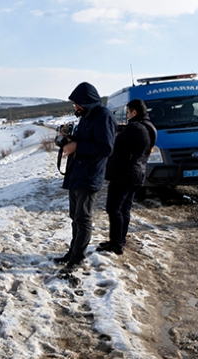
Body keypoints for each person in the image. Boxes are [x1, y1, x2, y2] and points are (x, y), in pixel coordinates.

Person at [54, 82, 116, 270]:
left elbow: (106, 148)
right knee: (75, 217)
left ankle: (77, 259)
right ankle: (73, 252)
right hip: (76, 174)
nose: (75, 108)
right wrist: (68, 140)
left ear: (86, 101)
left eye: (77, 104)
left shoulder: (103, 117)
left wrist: (77, 146)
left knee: (83, 218)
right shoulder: (87, 116)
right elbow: (86, 140)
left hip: (89, 177)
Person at [98, 99, 156, 254]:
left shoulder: (134, 127)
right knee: (125, 209)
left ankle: (116, 243)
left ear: (134, 112)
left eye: (128, 112)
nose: (127, 115)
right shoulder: (149, 127)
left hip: (124, 174)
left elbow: (114, 145)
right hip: (138, 173)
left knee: (114, 208)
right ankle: (119, 240)